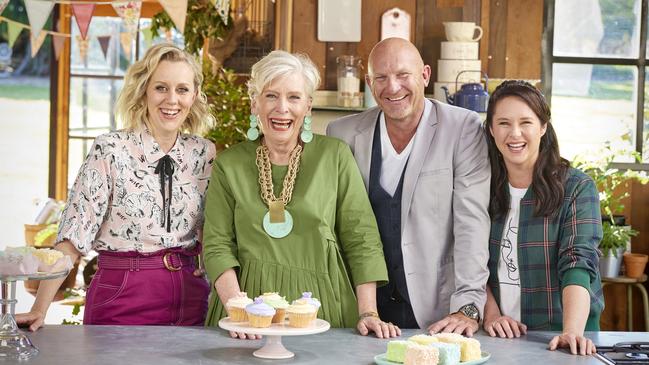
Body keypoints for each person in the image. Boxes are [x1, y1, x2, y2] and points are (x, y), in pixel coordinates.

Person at [17, 43, 216, 329]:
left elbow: (211, 232)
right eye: (161, 88)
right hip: (123, 296)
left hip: (190, 297)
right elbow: (74, 237)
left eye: (182, 89)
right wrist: (39, 308)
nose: (172, 100)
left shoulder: (204, 153)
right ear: (144, 90)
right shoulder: (111, 149)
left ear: (194, 95)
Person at [203, 50, 400, 339]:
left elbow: (362, 238)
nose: (282, 108)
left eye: (294, 97)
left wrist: (368, 312)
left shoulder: (334, 156)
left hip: (324, 307)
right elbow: (217, 245)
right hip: (247, 312)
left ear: (308, 106)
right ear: (254, 103)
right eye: (270, 96)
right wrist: (240, 311)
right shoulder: (228, 164)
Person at [327, 38, 490, 336]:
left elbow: (472, 223)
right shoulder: (342, 133)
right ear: (368, 82)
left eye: (403, 75)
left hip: (437, 312)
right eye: (381, 77)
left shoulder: (462, 128)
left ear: (425, 75)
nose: (392, 87)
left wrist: (467, 306)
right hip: (361, 311)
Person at [481, 80, 603, 355]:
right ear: (491, 129)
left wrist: (571, 331)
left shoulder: (577, 188)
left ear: (543, 127)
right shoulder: (480, 188)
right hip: (498, 339)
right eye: (503, 123)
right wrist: (491, 315)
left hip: (561, 340)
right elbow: (470, 259)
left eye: (526, 122)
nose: (515, 133)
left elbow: (578, 263)